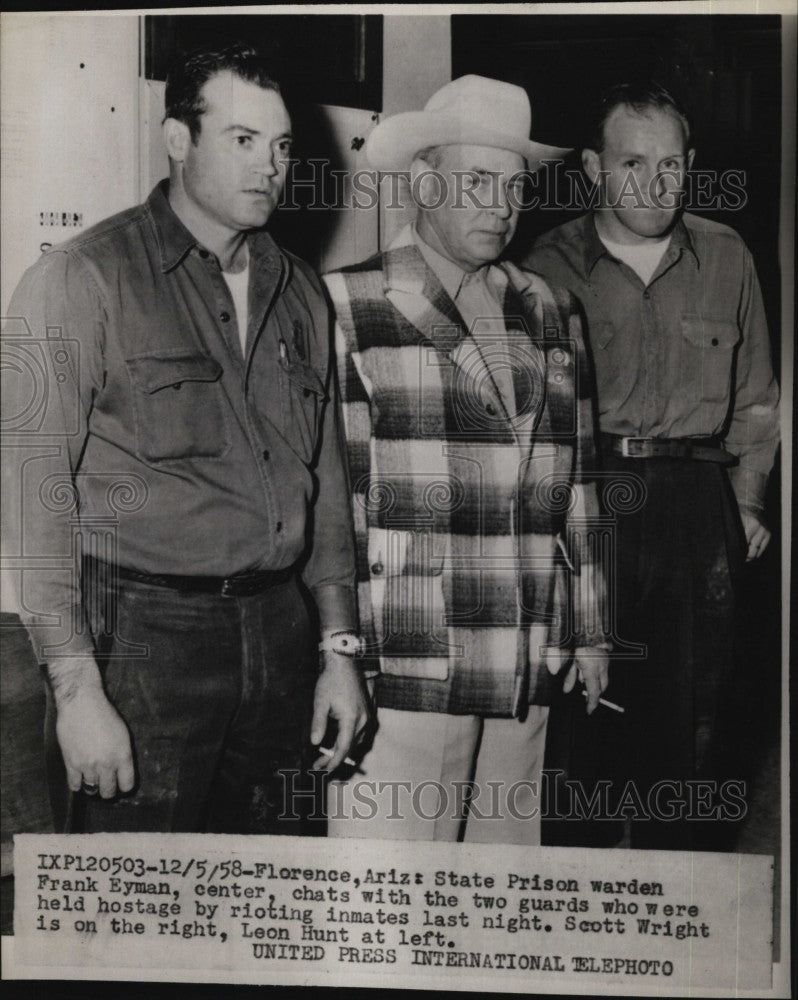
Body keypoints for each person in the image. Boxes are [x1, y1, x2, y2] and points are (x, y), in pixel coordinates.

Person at [0, 43, 369, 834]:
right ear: (178, 140)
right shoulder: (84, 279)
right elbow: (34, 498)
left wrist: (339, 650)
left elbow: (326, 483)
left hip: (279, 633)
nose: (269, 166)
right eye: (242, 140)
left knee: (265, 904)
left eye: (280, 146)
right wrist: (76, 689)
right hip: (140, 640)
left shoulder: (301, 290)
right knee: (125, 912)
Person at [323, 75, 609, 844]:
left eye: (514, 187)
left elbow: (577, 483)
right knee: (389, 908)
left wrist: (589, 631)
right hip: (410, 655)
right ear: (422, 181)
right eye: (477, 181)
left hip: (524, 651)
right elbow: (336, 503)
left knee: (501, 902)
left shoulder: (550, 308)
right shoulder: (350, 307)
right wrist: (339, 652)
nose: (500, 206)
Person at [524, 81, 780, 849]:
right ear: (596, 167)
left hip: (697, 507)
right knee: (582, 730)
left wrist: (747, 501)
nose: (655, 184)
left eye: (672, 165)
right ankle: (584, 920)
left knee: (692, 732)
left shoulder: (727, 255)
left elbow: (758, 399)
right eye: (633, 163)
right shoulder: (547, 264)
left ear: (690, 165)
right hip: (590, 502)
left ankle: (681, 910)